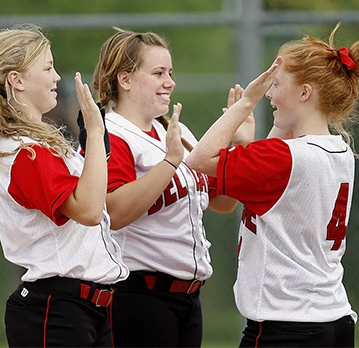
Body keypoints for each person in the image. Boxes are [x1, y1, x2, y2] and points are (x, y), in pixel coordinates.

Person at [186, 24, 359, 347]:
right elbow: (277, 175)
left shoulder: (284, 158)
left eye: (275, 85)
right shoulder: (340, 151)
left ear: (305, 93)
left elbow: (199, 159)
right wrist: (257, 137)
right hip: (333, 319)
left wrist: (245, 103)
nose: (270, 95)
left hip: (286, 327)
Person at [0, 25, 129, 347]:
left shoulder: (39, 145)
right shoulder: (26, 152)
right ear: (16, 80)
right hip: (56, 311)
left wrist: (93, 148)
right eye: (48, 67)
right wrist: (93, 133)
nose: (56, 77)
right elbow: (89, 211)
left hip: (84, 308)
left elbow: (90, 200)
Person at [82, 28, 249, 348]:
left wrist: (239, 146)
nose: (169, 82)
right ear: (125, 79)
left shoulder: (176, 131)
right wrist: (170, 162)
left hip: (188, 298)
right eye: (158, 73)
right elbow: (113, 212)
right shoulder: (111, 134)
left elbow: (223, 202)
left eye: (170, 73)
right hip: (138, 297)